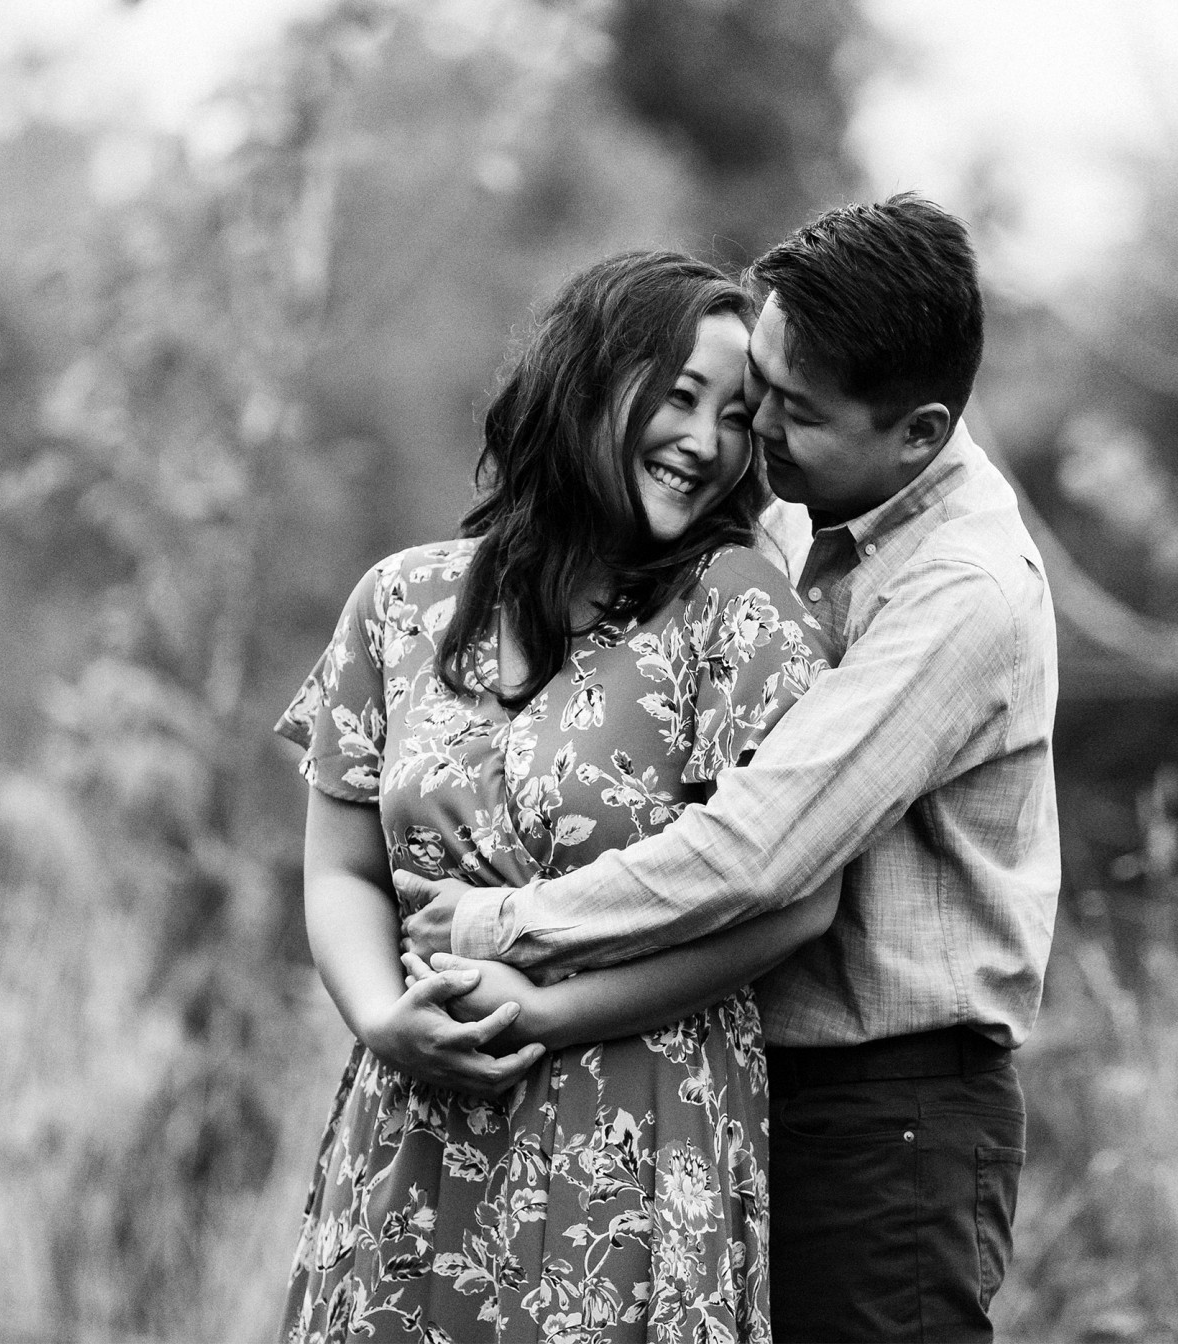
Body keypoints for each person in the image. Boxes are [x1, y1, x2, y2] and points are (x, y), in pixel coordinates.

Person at [402, 194, 1061, 1342]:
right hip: (741, 1086)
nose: (752, 431)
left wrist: (504, 926)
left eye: (791, 413)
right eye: (759, 384)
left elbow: (760, 848)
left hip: (887, 1117)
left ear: (917, 432)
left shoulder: (964, 593)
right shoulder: (808, 513)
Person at [273, 250, 838, 1344]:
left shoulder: (738, 611)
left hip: (635, 1128)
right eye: (679, 397)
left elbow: (800, 902)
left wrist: (546, 1013)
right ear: (586, 382)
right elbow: (341, 869)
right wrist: (385, 1022)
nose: (706, 443)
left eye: (736, 418)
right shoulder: (400, 602)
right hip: (417, 1117)